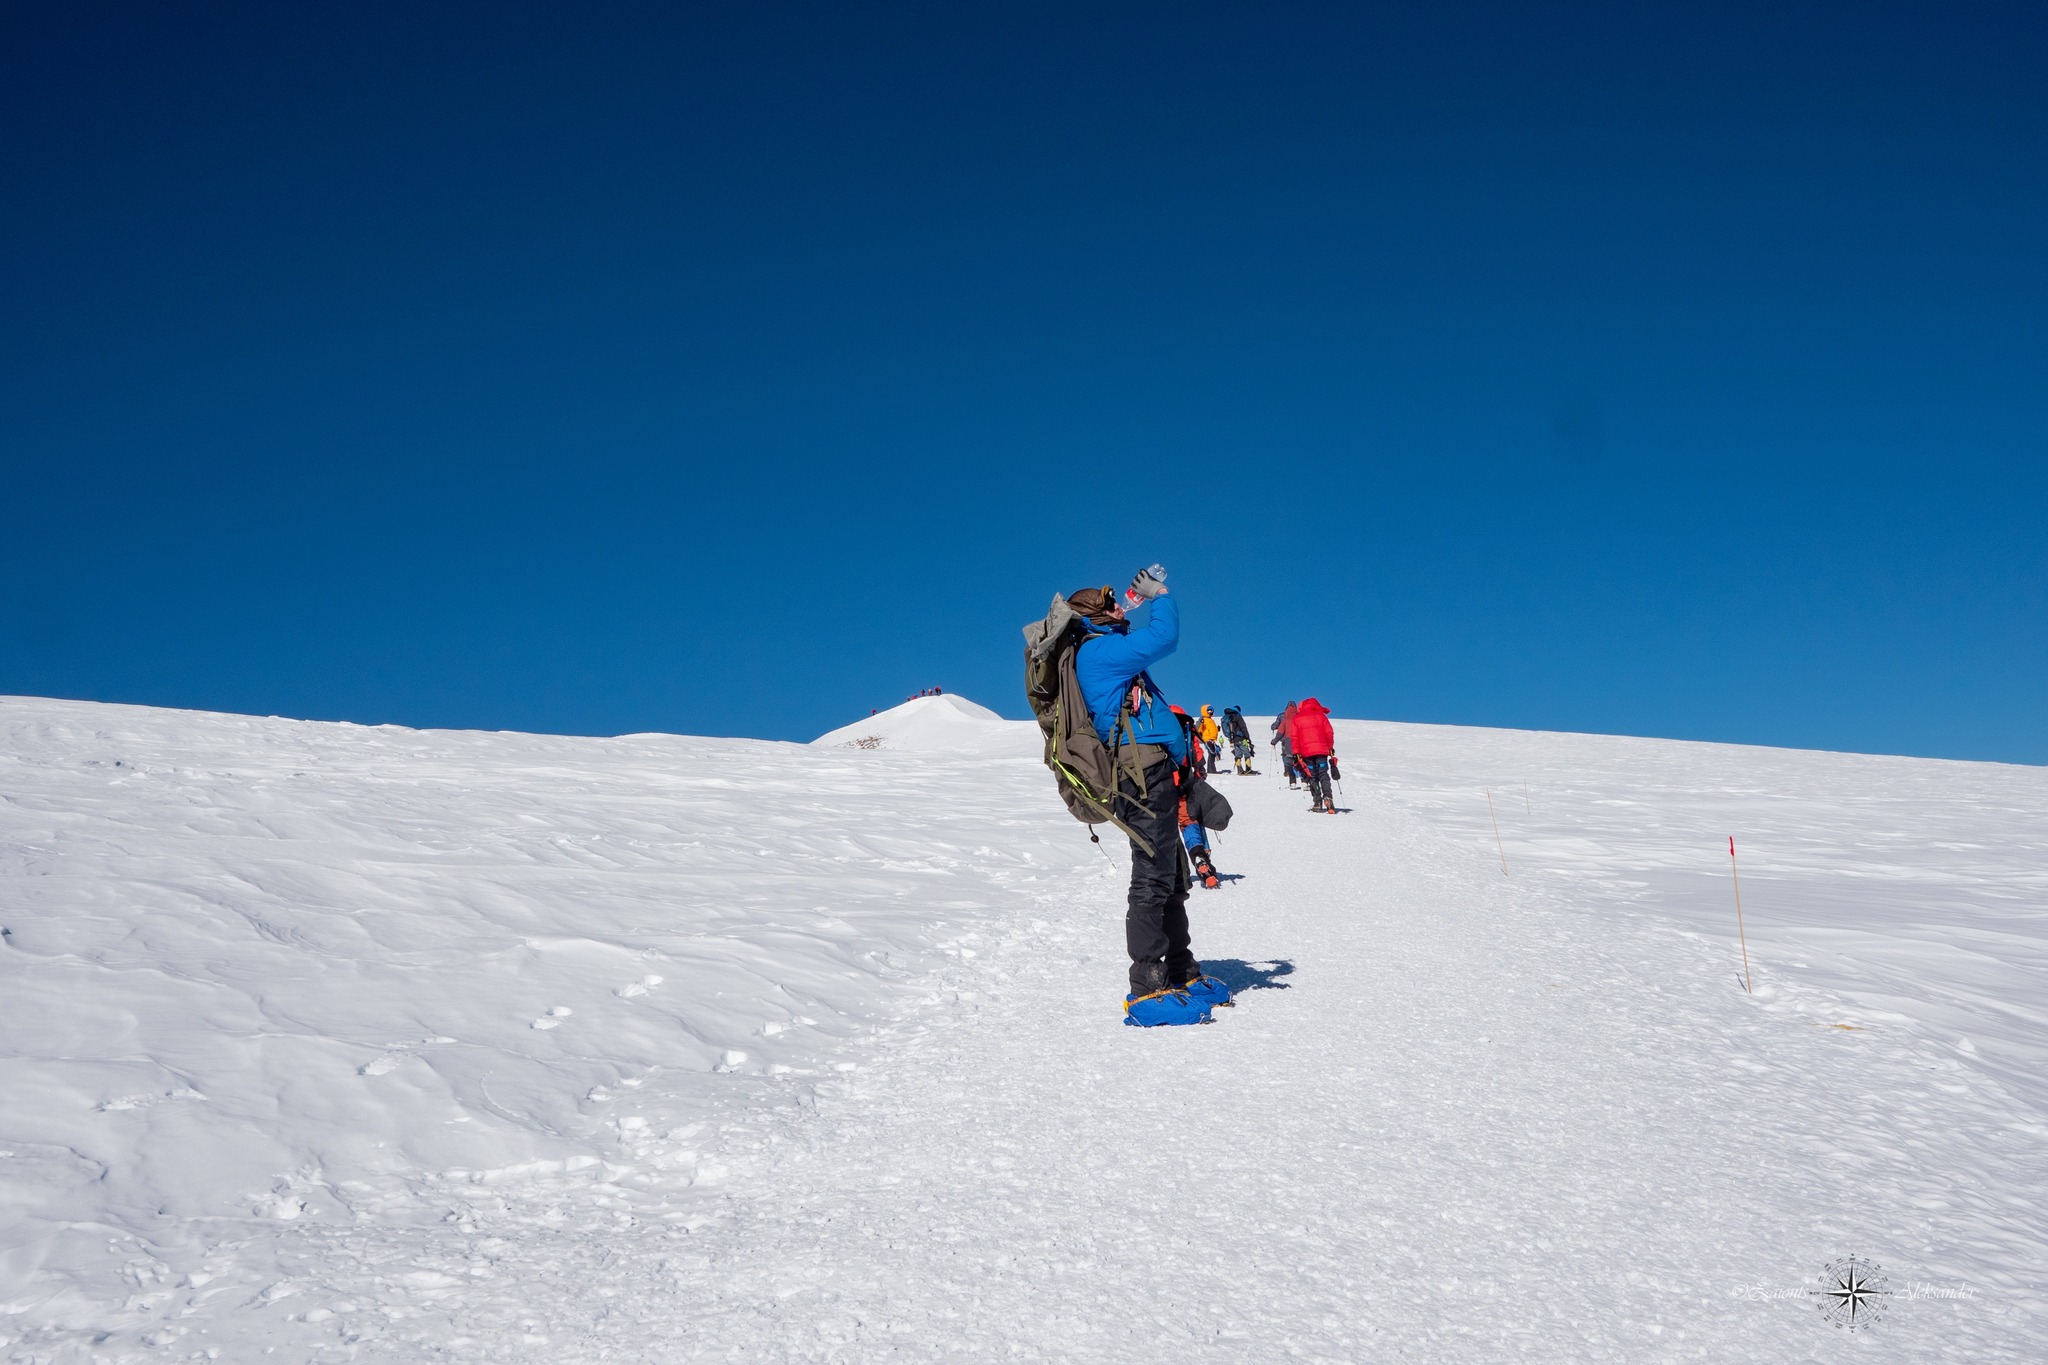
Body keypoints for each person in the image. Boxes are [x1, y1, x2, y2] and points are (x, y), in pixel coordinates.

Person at [1068, 567, 1231, 1024]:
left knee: (1172, 877)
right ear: (1094, 618)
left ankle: (1181, 973)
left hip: (1158, 773)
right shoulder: (1099, 652)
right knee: (1152, 879)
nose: (1120, 606)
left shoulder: (1108, 649)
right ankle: (1146, 988)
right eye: (1111, 605)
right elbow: (1165, 637)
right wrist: (1159, 595)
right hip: (1141, 778)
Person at [1287, 696, 1338, 813]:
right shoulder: (1321, 717)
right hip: (1322, 752)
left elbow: (1294, 737)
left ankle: (1317, 802)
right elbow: (1329, 732)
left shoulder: (1297, 718)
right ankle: (1328, 797)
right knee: (1323, 774)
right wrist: (1330, 747)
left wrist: (1296, 752)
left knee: (1312, 776)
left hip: (1306, 753)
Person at [1272, 701, 1302, 789]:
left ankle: (1290, 776)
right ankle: (1304, 780)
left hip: (1286, 740)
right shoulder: (1299, 717)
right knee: (1299, 759)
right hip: (1298, 741)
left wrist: (1274, 739)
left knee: (1287, 756)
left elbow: (1277, 726)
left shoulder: (1282, 716)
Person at [1222, 706, 1258, 775]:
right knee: (1247, 753)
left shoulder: (1228, 717)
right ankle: (1248, 770)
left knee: (1237, 755)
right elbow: (1243, 727)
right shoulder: (1238, 716)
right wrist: (1247, 737)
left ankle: (1240, 770)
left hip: (1233, 740)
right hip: (1241, 738)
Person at [1197, 705, 1224, 775]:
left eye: (1211, 710)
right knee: (1212, 754)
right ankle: (1211, 770)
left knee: (1213, 754)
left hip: (1212, 739)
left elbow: (1211, 729)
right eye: (1208, 710)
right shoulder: (1203, 719)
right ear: (1205, 711)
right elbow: (1200, 729)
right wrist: (1200, 733)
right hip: (1207, 739)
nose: (1210, 712)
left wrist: (1217, 729)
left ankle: (1211, 770)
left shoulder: (1211, 720)